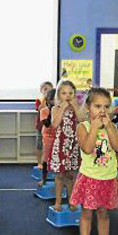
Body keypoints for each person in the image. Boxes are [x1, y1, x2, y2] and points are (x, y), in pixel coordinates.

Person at [69, 88, 118, 235]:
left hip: (108, 178)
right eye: (97, 106)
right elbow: (87, 148)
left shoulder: (112, 126)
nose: (102, 111)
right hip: (90, 178)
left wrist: (108, 126)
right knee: (86, 214)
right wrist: (94, 128)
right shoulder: (83, 127)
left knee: (104, 214)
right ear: (88, 107)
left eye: (106, 107)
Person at [49, 80, 82, 211]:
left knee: (71, 175)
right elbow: (55, 124)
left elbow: (82, 121)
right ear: (58, 95)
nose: (67, 96)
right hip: (60, 145)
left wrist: (75, 107)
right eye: (64, 93)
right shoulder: (55, 108)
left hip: (73, 146)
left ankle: (71, 199)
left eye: (70, 93)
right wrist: (62, 108)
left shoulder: (77, 108)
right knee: (60, 175)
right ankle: (58, 201)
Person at [38, 88, 57, 187]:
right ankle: (44, 179)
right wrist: (51, 111)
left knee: (58, 158)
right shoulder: (44, 111)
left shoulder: (60, 111)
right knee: (46, 158)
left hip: (57, 137)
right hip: (48, 137)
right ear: (48, 100)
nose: (54, 102)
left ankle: (59, 179)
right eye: (52, 100)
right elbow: (47, 124)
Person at [36, 81, 54, 170]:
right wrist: (45, 98)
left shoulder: (54, 100)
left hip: (52, 128)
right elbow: (40, 108)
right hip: (41, 126)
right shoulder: (39, 100)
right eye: (45, 89)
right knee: (39, 145)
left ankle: (50, 162)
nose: (47, 91)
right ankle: (39, 162)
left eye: (49, 89)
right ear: (41, 91)